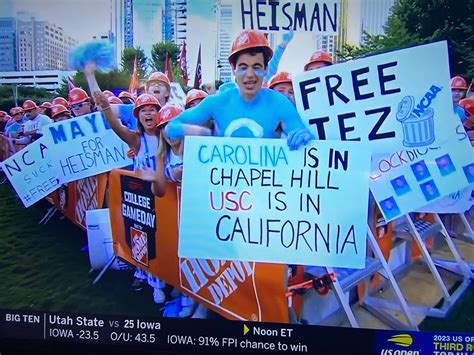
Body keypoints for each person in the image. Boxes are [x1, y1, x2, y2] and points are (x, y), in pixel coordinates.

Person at [165, 29, 312, 150]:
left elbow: (311, 144)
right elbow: (171, 127)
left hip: (265, 182)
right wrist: (202, 133)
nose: (250, 75)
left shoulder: (279, 103)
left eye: (256, 67)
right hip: (223, 182)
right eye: (243, 67)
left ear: (266, 69)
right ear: (234, 70)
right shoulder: (216, 102)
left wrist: (303, 137)